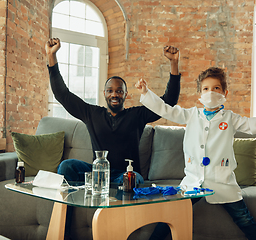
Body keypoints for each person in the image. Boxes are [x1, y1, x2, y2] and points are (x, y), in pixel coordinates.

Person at [135, 67, 256, 240]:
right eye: (206, 89)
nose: (211, 92)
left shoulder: (230, 118)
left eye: (216, 88)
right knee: (171, 216)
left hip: (223, 182)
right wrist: (146, 93)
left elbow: (255, 125)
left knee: (244, 219)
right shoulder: (191, 115)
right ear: (200, 94)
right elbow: (167, 110)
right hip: (193, 180)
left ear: (225, 92)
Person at [45, 38, 181, 184]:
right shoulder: (91, 113)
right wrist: (51, 56)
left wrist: (174, 63)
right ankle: (75, 202)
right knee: (66, 166)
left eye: (119, 91)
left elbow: (169, 102)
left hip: (125, 175)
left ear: (125, 94)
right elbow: (62, 95)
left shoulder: (137, 115)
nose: (114, 94)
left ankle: (112, 199)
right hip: (97, 173)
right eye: (110, 91)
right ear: (104, 94)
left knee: (133, 179)